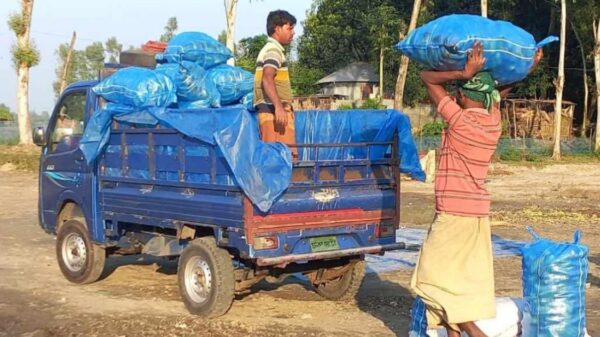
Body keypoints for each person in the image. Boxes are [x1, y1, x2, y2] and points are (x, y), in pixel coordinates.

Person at [410, 43, 543, 337]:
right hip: (477, 214)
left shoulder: (459, 121)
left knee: (427, 279)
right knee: (457, 280)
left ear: (463, 96)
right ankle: (455, 332)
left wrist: (463, 70)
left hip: (454, 214)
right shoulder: (493, 122)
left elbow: (426, 76)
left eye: (459, 91)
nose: (455, 94)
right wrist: (528, 67)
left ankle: (471, 330)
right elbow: (500, 93)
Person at [253, 10, 297, 159]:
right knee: (282, 160)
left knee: (274, 159)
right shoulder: (273, 50)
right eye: (289, 28)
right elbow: (267, 78)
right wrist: (279, 107)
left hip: (274, 113)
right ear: (277, 29)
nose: (293, 33)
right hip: (275, 114)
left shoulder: (271, 49)